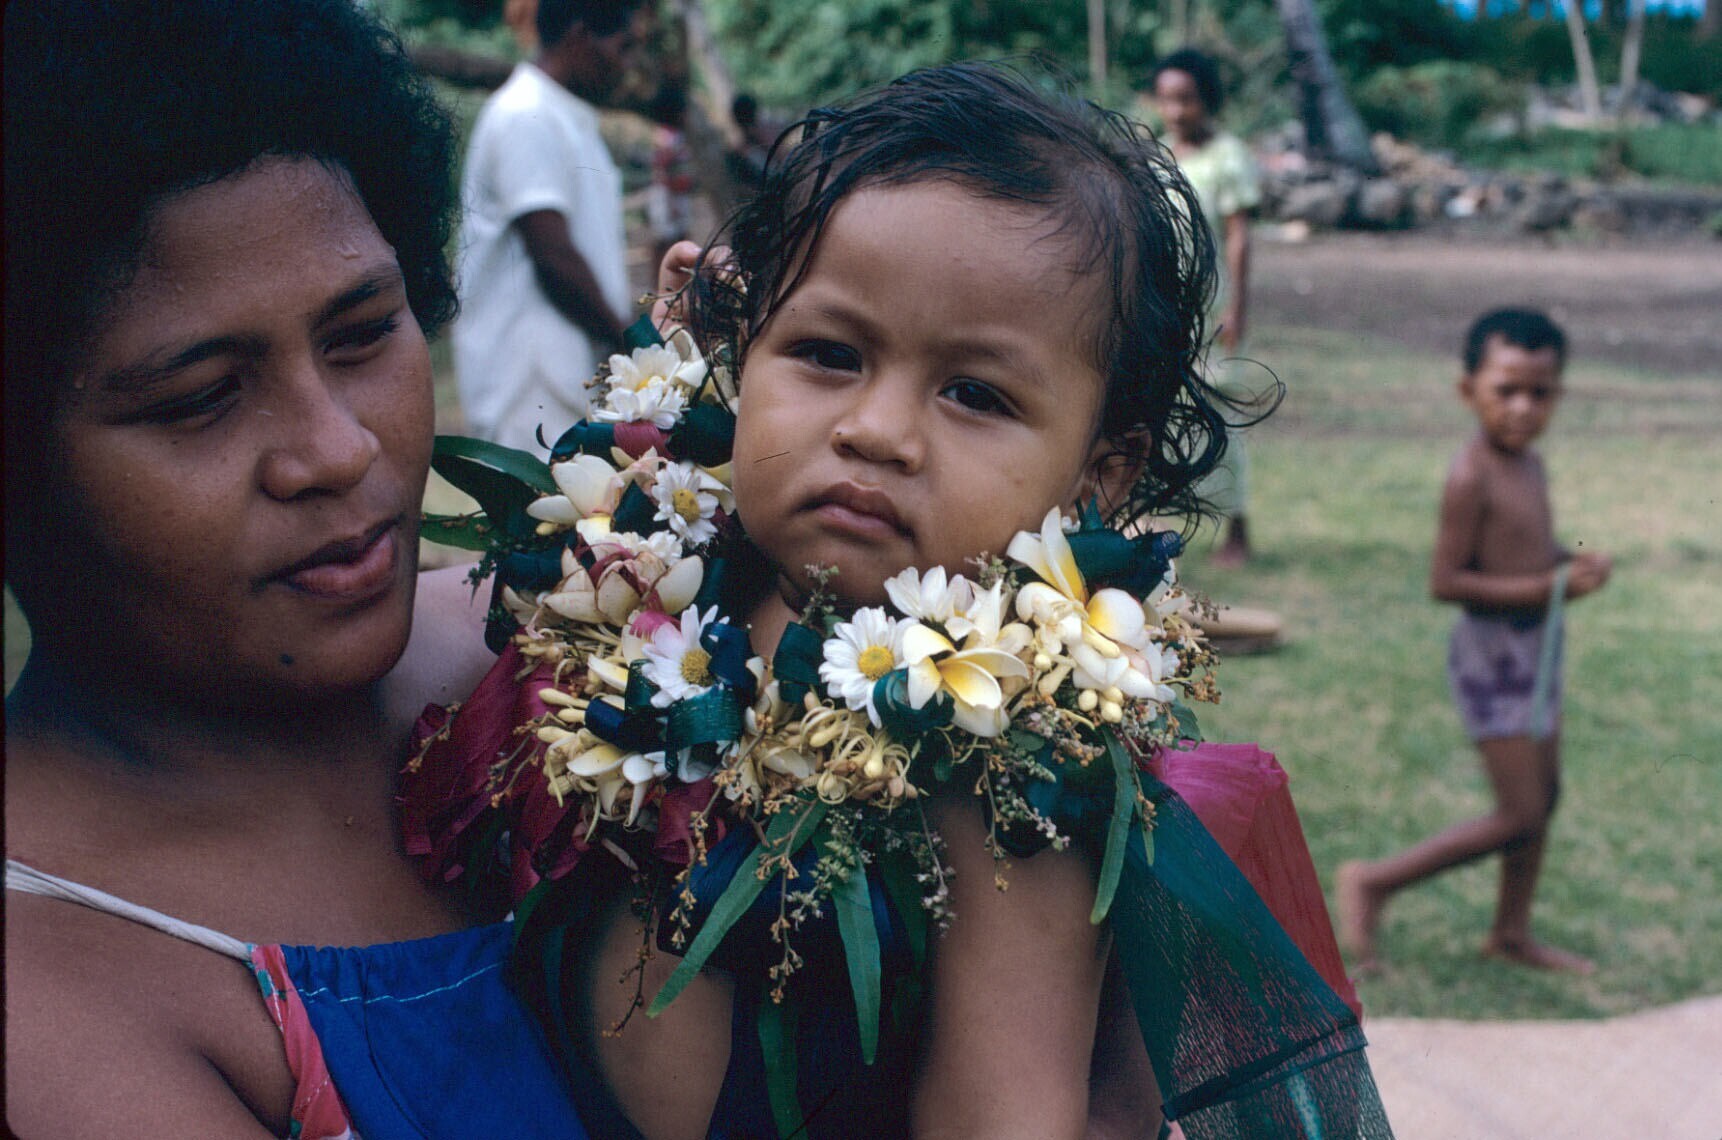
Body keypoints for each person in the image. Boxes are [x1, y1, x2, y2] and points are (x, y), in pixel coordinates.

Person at [408, 63, 1389, 1140]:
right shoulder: (637, 579)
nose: (875, 430)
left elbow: (999, 1118)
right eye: (827, 354)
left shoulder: (1004, 768)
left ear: (1097, 476)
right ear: (737, 356)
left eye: (975, 393)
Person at [1, 1, 594, 1135]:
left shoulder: (557, 647)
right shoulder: (49, 990)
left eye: (363, 333)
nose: (337, 448)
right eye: (200, 399)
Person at [1339, 308, 1613, 975]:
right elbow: (1448, 581)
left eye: (1540, 393)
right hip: (1492, 657)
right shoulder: (1471, 476)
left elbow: (1525, 552)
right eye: (1506, 390)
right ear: (1469, 391)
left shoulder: (1531, 465)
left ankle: (1511, 933)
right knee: (1520, 811)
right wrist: (1549, 586)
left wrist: (1569, 564)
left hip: (1538, 649)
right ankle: (1373, 882)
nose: (1523, 408)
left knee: (1545, 797)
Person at [454, 0, 640, 452]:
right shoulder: (525, 113)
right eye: (623, 47)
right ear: (580, 37)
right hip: (528, 382)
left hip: (564, 373)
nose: (627, 66)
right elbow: (552, 254)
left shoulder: (564, 116)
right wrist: (632, 342)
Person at [1149, 48, 1263, 568]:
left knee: (1218, 414)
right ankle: (1159, 524)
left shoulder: (1227, 157)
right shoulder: (1156, 156)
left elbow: (1238, 237)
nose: (1176, 111)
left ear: (1207, 100)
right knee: (1157, 414)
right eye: (1167, 99)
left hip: (1211, 311)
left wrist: (1236, 306)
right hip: (1161, 310)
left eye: (1187, 99)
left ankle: (1237, 526)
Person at [646, 83, 697, 272]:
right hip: (668, 196)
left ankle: (681, 280)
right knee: (664, 240)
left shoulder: (677, 135)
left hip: (678, 195)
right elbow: (662, 169)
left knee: (681, 238)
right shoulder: (666, 137)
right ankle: (659, 281)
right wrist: (671, 202)